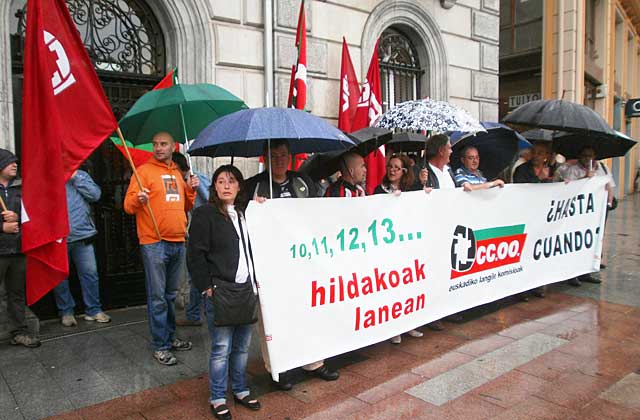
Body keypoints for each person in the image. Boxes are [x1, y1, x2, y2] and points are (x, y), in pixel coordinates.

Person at [245, 139, 338, 390]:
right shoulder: (253, 185)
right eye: (273, 155)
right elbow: (242, 219)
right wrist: (255, 208)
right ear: (265, 158)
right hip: (269, 264)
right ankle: (278, 366)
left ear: (290, 157)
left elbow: (321, 213)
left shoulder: (303, 182)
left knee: (307, 310)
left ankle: (314, 362)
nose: (279, 160)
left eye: (283, 155)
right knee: (273, 316)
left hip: (301, 260)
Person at [188, 165, 261, 420]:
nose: (226, 185)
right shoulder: (204, 214)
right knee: (221, 347)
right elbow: (195, 254)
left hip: (246, 290)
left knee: (242, 347)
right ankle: (218, 396)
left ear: (240, 186)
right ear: (215, 187)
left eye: (231, 181)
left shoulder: (246, 213)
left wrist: (261, 207)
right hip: (221, 291)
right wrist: (206, 287)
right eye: (220, 181)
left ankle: (240, 389)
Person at [124, 132, 198, 366]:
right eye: (155, 144)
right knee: (157, 298)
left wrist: (191, 188)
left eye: (163, 144)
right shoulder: (143, 171)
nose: (158, 148)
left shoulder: (176, 172)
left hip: (177, 241)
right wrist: (139, 200)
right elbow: (127, 205)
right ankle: (160, 345)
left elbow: (186, 205)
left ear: (172, 146)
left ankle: (170, 337)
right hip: (154, 242)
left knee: (170, 296)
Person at [374, 154, 426, 343]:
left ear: (404, 171)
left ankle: (409, 324)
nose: (392, 170)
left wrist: (422, 186)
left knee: (408, 286)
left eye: (396, 167)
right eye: (390, 166)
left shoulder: (411, 189)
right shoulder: (379, 189)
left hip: (407, 245)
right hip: (388, 246)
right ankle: (393, 328)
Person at [53, 167, 111, 327]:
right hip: (58, 237)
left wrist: (76, 177)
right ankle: (66, 311)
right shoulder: (48, 175)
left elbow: (95, 195)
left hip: (83, 235)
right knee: (60, 278)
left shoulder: (80, 175)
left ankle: (93, 310)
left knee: (90, 274)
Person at [555, 146, 615, 286]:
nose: (587, 158)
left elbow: (609, 185)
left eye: (590, 155)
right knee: (576, 240)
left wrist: (608, 203)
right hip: (578, 212)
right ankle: (572, 274)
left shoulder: (603, 168)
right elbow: (569, 187)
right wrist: (584, 177)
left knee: (591, 239)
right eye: (584, 155)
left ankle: (586, 271)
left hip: (596, 211)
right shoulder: (573, 169)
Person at [0, 149, 40, 348]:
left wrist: (18, 218)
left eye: (16, 161)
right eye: (9, 162)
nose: (15, 165)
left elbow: (31, 218)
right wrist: (2, 226)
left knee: (16, 293)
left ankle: (19, 332)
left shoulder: (19, 192)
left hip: (17, 250)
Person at [172, 152, 211, 327]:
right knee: (195, 275)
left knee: (197, 275)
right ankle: (194, 313)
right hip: (194, 233)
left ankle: (196, 313)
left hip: (204, 234)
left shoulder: (197, 180)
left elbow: (210, 202)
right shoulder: (180, 182)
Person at [423, 134, 457, 329]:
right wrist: (421, 186)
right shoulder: (425, 171)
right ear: (441, 150)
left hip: (449, 228)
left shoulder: (449, 172)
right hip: (433, 230)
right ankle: (432, 313)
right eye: (449, 147)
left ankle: (445, 308)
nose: (451, 151)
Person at [513, 141, 556, 299]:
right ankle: (522, 287)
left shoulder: (552, 170)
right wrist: (540, 180)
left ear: (546, 156)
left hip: (545, 216)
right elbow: (521, 189)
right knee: (525, 251)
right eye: (534, 152)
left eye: (540, 153)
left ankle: (538, 283)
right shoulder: (522, 169)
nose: (536, 156)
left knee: (540, 251)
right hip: (526, 215)